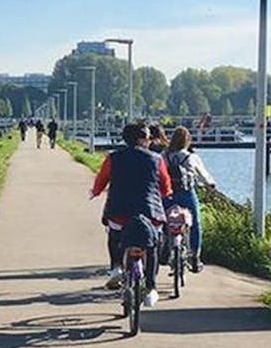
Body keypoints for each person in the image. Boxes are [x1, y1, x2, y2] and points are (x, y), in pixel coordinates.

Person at [90, 123, 173, 307]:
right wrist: (166, 193)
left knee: (114, 234)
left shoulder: (113, 158)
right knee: (153, 244)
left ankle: (116, 267)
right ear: (143, 139)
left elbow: (101, 180)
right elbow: (165, 185)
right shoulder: (156, 159)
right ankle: (151, 288)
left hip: (119, 210)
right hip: (150, 212)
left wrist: (95, 192)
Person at [162, 126, 217, 272]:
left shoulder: (164, 156)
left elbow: (158, 174)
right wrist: (210, 185)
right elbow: (204, 176)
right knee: (195, 223)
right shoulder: (192, 157)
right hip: (186, 193)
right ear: (187, 141)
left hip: (168, 194)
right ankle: (195, 256)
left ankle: (164, 248)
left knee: (162, 220)